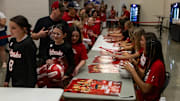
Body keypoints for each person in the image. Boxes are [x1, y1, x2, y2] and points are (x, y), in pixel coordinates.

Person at [123, 32, 165, 101]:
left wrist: (132, 71)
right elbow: (144, 75)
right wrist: (136, 66)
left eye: (144, 47)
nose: (142, 50)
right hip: (140, 93)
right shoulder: (150, 59)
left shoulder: (157, 65)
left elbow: (145, 89)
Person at [31, 1, 69, 66]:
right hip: (44, 56)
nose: (62, 13)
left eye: (63, 11)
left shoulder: (64, 23)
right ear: (54, 9)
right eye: (61, 11)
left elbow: (67, 39)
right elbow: (32, 36)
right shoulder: (42, 21)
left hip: (59, 56)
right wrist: (39, 35)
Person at [4, 15, 37, 87]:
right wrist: (7, 79)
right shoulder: (13, 41)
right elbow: (10, 60)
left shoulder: (28, 44)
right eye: (10, 28)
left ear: (23, 29)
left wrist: (31, 86)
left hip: (25, 82)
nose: (10, 31)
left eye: (14, 28)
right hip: (15, 79)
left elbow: (31, 66)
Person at [45, 23, 75, 88]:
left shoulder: (67, 47)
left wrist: (66, 75)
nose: (55, 36)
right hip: (51, 75)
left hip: (62, 77)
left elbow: (72, 64)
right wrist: (47, 60)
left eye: (58, 34)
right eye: (54, 33)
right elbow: (46, 56)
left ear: (64, 35)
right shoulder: (50, 44)